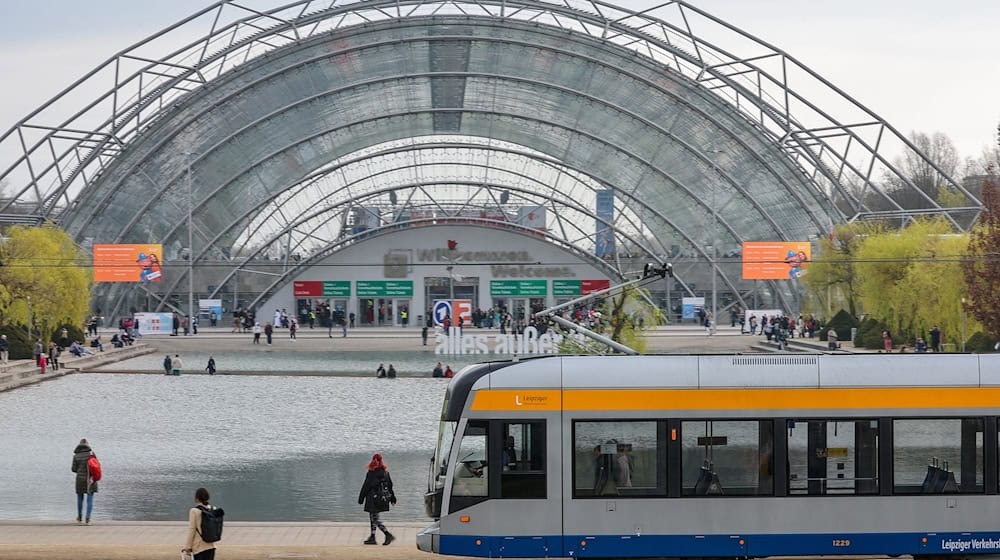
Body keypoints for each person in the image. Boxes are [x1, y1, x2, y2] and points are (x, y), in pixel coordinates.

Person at [357, 453, 396, 545]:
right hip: (382, 499)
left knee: (374, 518)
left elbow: (366, 487)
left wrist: (361, 498)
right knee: (373, 517)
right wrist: (393, 498)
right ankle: (372, 537)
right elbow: (390, 486)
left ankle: (387, 534)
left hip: (372, 499)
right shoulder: (386, 473)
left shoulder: (371, 473)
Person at [183, 487, 217, 560]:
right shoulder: (213, 509)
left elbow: (192, 530)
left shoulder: (194, 511)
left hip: (198, 547)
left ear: (197, 498)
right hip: (211, 546)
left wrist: (188, 547)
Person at [71, 438, 98, 525]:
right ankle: (88, 518)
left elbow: (73, 469)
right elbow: (96, 466)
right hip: (90, 479)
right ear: (87, 445)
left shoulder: (76, 456)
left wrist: (80, 470)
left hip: (79, 479)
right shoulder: (91, 454)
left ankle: (79, 517)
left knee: (80, 498)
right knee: (90, 499)